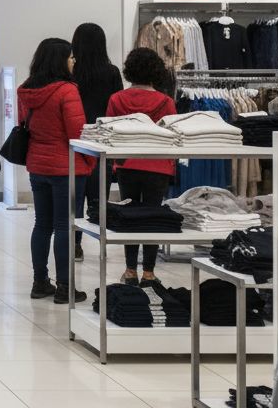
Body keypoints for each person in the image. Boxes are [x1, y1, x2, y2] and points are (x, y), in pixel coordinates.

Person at [20, 37, 91, 305]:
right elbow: (77, 133)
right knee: (64, 227)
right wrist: (89, 162)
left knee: (42, 225)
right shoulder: (67, 91)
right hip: (66, 167)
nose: (74, 61)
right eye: (70, 57)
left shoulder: (27, 91)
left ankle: (40, 282)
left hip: (37, 165)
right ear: (60, 60)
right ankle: (65, 286)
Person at [107, 47, 178, 286]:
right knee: (152, 217)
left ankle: (129, 270)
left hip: (127, 163)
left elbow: (110, 132)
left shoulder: (117, 99)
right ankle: (148, 272)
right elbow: (171, 135)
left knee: (130, 215)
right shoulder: (166, 102)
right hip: (157, 165)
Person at [70, 23, 123, 262]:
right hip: (101, 139)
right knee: (98, 197)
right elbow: (117, 110)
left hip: (75, 138)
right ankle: (102, 240)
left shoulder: (71, 72)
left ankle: (75, 244)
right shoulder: (111, 72)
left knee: (74, 196)